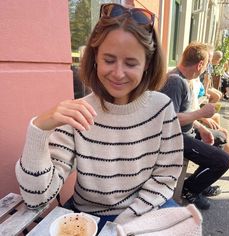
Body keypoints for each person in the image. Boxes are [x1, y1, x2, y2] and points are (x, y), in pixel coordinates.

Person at [15, 3, 183, 232]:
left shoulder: (162, 108)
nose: (118, 73)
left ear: (147, 65)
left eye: (131, 63)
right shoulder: (77, 113)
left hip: (143, 211)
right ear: (95, 58)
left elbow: (165, 177)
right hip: (86, 219)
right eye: (109, 60)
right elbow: (36, 199)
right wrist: (39, 129)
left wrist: (122, 223)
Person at [161, 42, 229, 210]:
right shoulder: (175, 82)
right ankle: (190, 189)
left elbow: (185, 113)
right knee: (223, 160)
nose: (205, 69)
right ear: (200, 64)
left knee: (220, 137)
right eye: (206, 65)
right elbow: (168, 120)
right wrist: (201, 114)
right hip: (175, 138)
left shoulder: (183, 79)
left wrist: (202, 128)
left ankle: (199, 184)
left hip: (187, 131)